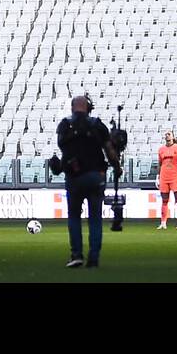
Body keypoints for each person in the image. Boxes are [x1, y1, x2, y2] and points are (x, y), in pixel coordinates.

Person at [55, 95, 120, 268]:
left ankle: (76, 254)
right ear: (88, 107)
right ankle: (94, 257)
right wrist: (117, 167)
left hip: (74, 177)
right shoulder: (97, 125)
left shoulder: (65, 125)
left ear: (72, 107)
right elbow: (109, 151)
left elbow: (63, 150)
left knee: (74, 217)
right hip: (95, 175)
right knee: (95, 218)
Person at [155, 131, 177, 230]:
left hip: (174, 177)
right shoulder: (161, 149)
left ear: (173, 136)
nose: (167, 135)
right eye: (166, 134)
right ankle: (163, 222)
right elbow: (160, 164)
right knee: (164, 200)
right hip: (164, 177)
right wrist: (158, 176)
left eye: (169, 134)